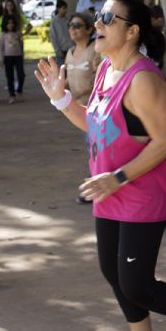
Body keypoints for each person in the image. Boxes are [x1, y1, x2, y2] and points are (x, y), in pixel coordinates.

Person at [34, 0, 166, 331]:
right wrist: (61, 100)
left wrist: (117, 178)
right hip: (110, 191)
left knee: (136, 283)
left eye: (107, 18)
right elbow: (96, 123)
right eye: (98, 16)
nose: (97, 24)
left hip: (140, 195)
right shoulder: (107, 69)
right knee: (112, 271)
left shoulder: (144, 80)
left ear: (133, 31)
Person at [65, 12, 100, 204]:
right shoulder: (70, 53)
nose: (73, 29)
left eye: (78, 25)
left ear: (89, 29)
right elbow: (67, 82)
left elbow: (100, 78)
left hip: (96, 109)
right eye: (70, 25)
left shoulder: (95, 49)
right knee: (92, 149)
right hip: (80, 110)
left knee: (96, 149)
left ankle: (96, 189)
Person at [0, 15, 24, 104]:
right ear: (5, 24)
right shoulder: (3, 34)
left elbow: (21, 44)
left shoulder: (18, 33)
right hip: (8, 57)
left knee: (21, 75)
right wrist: (0, 59)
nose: (10, 25)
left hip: (18, 56)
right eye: (8, 23)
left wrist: (22, 55)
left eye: (12, 23)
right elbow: (0, 47)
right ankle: (12, 95)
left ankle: (19, 91)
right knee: (10, 77)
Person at [49, 0, 74, 67]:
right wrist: (58, 51)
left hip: (71, 49)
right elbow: (53, 38)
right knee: (62, 71)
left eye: (66, 8)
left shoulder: (68, 20)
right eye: (63, 8)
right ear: (58, 9)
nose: (65, 10)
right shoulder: (54, 22)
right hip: (61, 51)